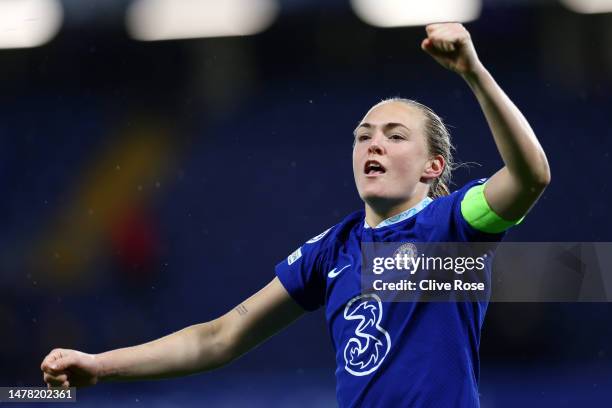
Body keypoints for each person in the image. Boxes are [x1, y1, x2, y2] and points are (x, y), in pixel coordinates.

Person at [41, 23, 550, 407]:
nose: (374, 143)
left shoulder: (452, 226)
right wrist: (100, 366)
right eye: (363, 135)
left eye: (395, 136)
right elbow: (218, 337)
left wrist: (474, 73)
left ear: (432, 167)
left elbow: (531, 177)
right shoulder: (332, 250)